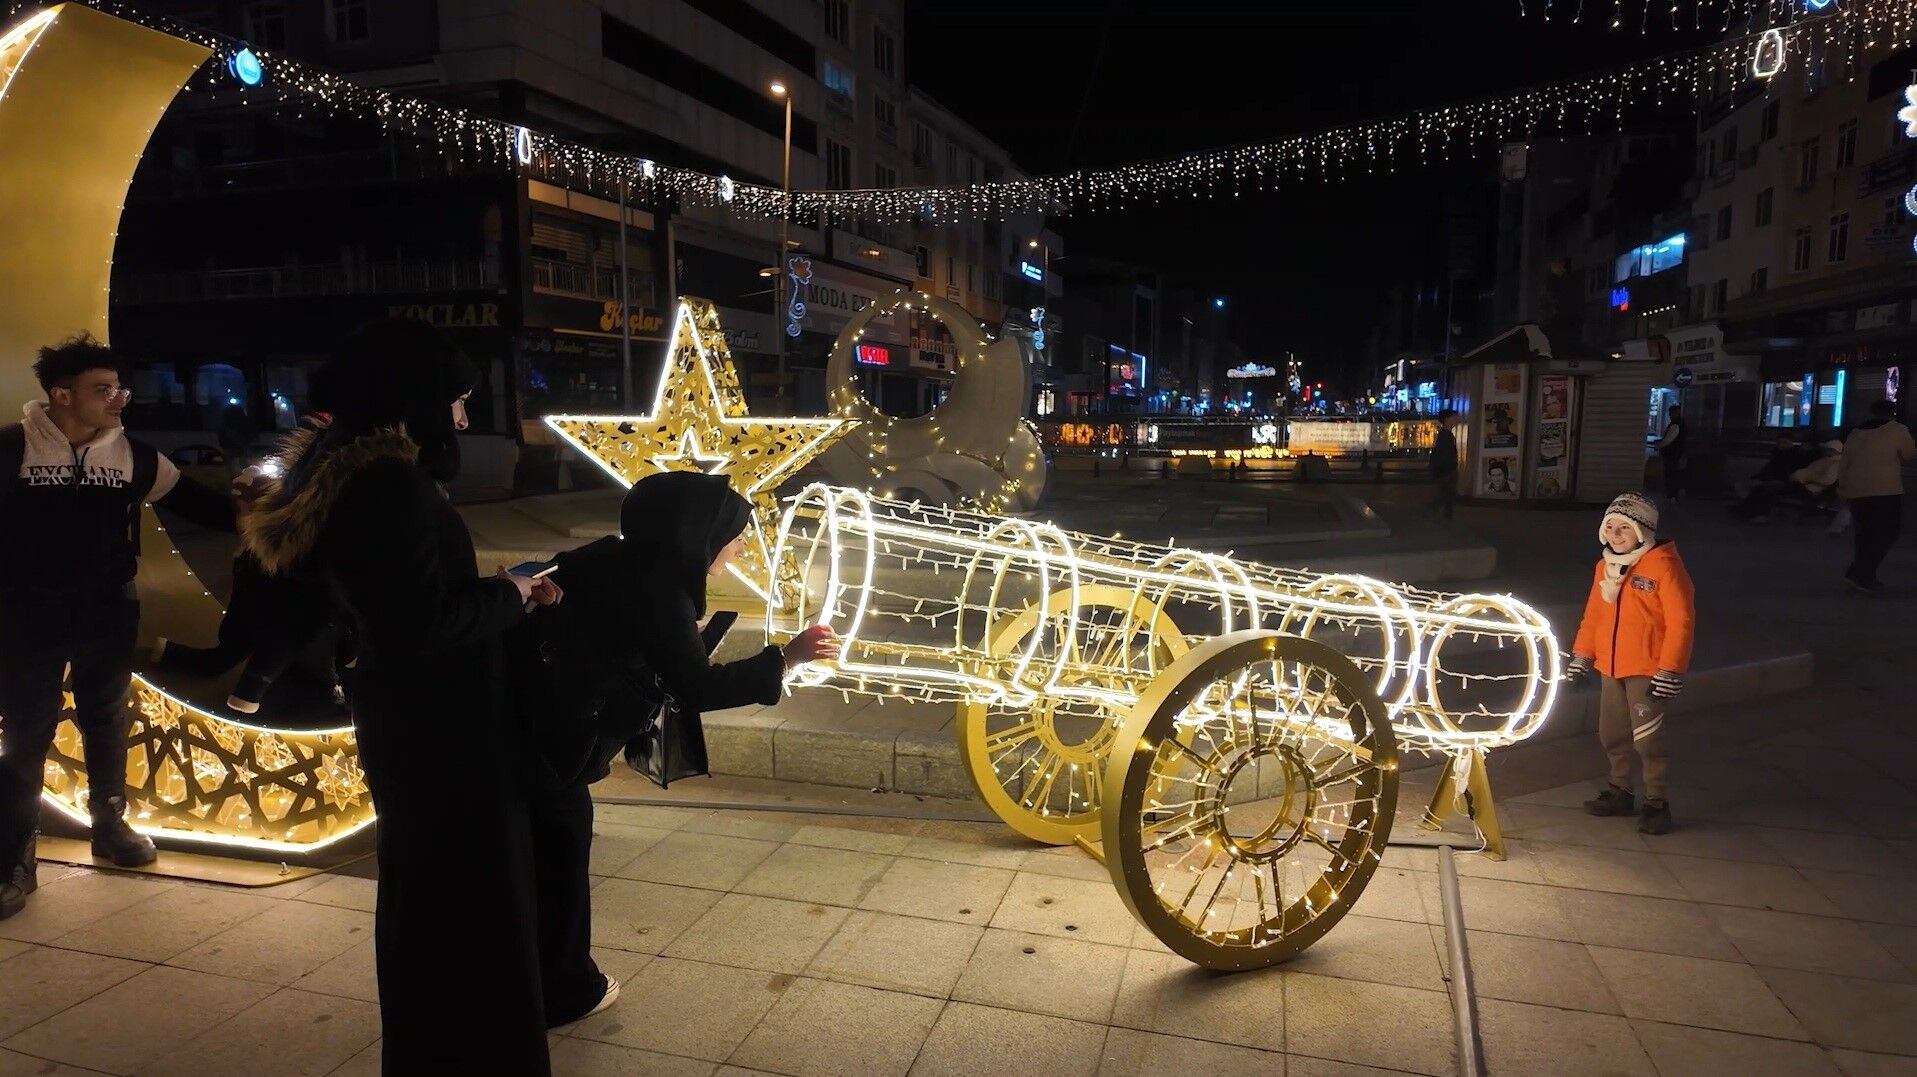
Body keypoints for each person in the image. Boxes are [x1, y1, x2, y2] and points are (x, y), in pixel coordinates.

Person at [239, 320, 561, 1074]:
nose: (462, 419)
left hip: (406, 718)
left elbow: (391, 604)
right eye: (456, 400)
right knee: (466, 897)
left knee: (426, 893)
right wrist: (511, 594)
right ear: (413, 398)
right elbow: (423, 624)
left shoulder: (345, 475)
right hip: (445, 726)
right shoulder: (391, 487)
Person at [510, 472, 840, 1028]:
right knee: (559, 857)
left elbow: (577, 608)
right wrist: (788, 657)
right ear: (698, 535)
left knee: (538, 856)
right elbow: (697, 688)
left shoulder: (608, 556)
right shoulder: (661, 594)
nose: (739, 550)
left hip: (526, 723)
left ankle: (528, 978)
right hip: (555, 742)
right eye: (734, 538)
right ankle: (565, 990)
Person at [0, 335, 236, 919]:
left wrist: (271, 508)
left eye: (120, 389)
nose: (118, 399)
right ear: (61, 395)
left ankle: (110, 824)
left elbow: (206, 509)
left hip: (107, 610)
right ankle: (13, 856)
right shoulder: (11, 449)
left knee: (106, 716)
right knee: (27, 728)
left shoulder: (134, 456)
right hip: (27, 612)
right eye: (103, 389)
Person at [1562, 493, 1694, 836]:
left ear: (1643, 531)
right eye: (1610, 527)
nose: (1616, 535)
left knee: (1649, 740)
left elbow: (1681, 622)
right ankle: (1620, 790)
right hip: (1611, 667)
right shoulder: (1605, 567)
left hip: (1648, 670)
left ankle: (1656, 802)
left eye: (1625, 528)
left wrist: (1670, 670)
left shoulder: (1663, 566)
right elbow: (1594, 616)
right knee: (1612, 733)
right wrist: (1582, 657)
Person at [1836, 400, 1915, 592]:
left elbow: (1844, 462)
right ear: (1893, 413)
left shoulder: (1855, 433)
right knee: (1888, 533)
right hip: (1884, 489)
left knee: (1864, 534)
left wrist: (1843, 487)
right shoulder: (1897, 430)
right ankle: (1861, 573)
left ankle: (1861, 574)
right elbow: (1909, 455)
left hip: (1856, 489)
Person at [1735, 440, 1842, 524]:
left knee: (1769, 488)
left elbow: (1827, 480)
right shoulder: (1825, 460)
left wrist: (1805, 477)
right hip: (1802, 484)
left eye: (1827, 449)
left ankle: (1756, 514)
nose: (1824, 451)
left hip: (1808, 487)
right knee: (1765, 487)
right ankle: (1748, 511)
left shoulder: (1835, 464)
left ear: (1833, 450)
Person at [1428, 408, 1460, 519]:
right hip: (1447, 470)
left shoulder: (1445, 435)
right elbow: (1445, 454)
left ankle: (1438, 514)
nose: (1456, 420)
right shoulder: (1446, 436)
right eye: (1454, 418)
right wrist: (1449, 468)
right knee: (1447, 494)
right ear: (1447, 419)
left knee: (1445, 495)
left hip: (1445, 470)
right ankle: (1437, 514)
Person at [1656, 406, 1687, 500]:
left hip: (1672, 454)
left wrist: (1659, 445)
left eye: (1671, 413)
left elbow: (1668, 440)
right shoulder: (1680, 424)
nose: (1670, 415)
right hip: (1676, 454)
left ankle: (1672, 495)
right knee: (1674, 474)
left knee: (1671, 474)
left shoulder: (1676, 424)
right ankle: (1673, 494)